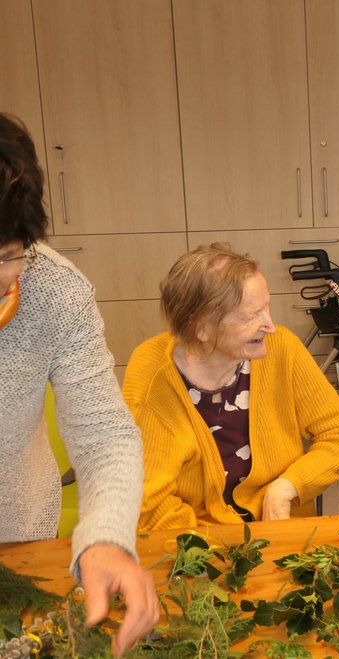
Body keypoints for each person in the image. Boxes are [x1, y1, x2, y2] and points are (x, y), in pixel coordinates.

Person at [0, 113, 158, 655]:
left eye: (5, 257)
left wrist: (107, 537)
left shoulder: (55, 291)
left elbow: (104, 436)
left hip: (18, 529)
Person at [122, 243, 339, 531]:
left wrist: (287, 487)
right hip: (193, 541)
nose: (270, 325)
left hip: (280, 531)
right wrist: (220, 546)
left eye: (266, 307)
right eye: (250, 316)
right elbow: (148, 503)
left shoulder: (281, 349)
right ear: (201, 327)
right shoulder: (152, 375)